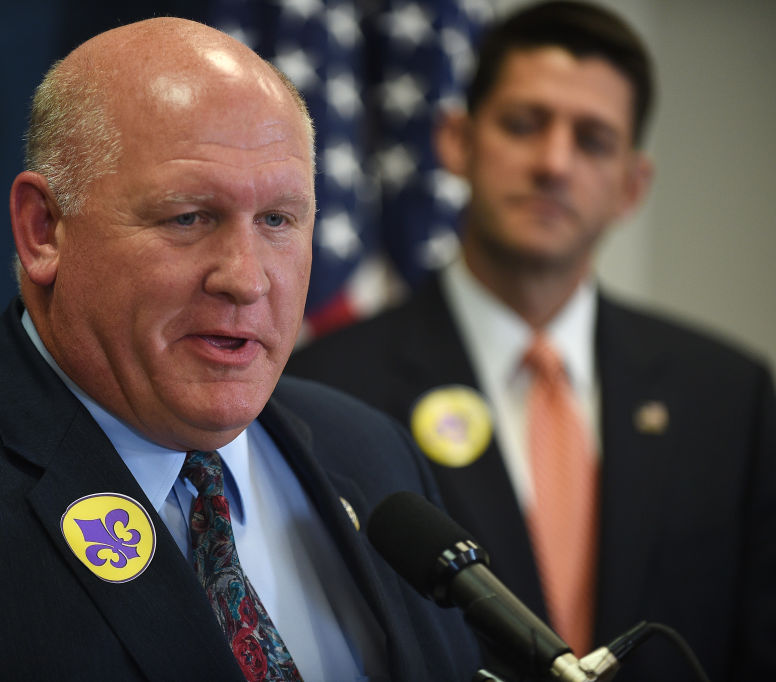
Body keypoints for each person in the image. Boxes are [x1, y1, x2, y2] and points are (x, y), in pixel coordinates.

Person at [0, 17, 482, 682]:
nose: (247, 278)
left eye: (278, 220)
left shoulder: (374, 453)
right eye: (189, 217)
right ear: (43, 230)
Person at [286, 2, 776, 681]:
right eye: (523, 124)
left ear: (632, 186)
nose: (553, 162)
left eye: (593, 140)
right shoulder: (327, 388)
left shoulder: (727, 398)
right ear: (456, 141)